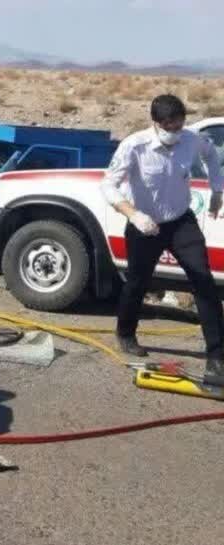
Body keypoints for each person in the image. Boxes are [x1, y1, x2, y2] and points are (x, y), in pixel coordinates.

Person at [101, 94, 224, 385]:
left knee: (203, 281)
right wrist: (133, 214)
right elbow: (108, 184)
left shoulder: (192, 140)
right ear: (156, 123)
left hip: (181, 221)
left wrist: (217, 190)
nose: (175, 131)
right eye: (169, 125)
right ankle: (126, 333)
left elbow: (211, 156)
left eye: (179, 124)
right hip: (145, 225)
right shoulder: (134, 145)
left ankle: (217, 357)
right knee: (138, 282)